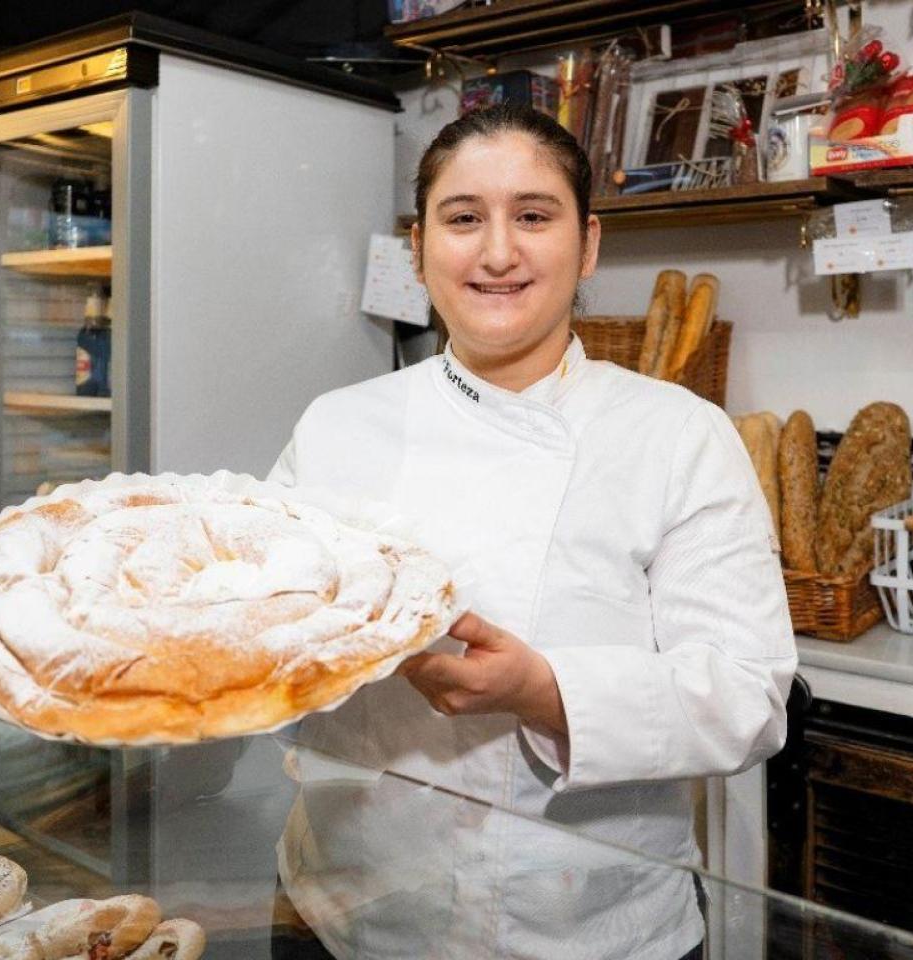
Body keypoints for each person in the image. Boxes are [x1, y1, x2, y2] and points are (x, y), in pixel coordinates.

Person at [267, 101, 797, 960]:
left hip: (592, 930)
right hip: (345, 911)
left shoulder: (677, 434)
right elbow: (258, 635)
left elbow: (747, 699)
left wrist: (542, 689)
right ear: (419, 247)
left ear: (588, 245)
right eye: (464, 218)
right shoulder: (336, 424)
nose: (499, 252)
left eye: (534, 216)